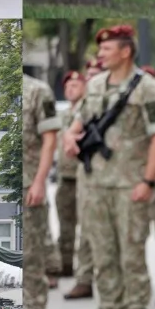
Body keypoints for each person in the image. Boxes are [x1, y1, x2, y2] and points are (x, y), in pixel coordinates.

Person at [62, 24, 155, 309]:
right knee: (103, 254)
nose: (100, 55)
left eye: (107, 49)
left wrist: (148, 181)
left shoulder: (149, 88)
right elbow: (79, 120)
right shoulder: (95, 85)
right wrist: (70, 137)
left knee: (131, 255)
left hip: (130, 185)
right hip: (95, 184)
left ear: (126, 51)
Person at [22, 69, 63, 309]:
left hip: (27, 183)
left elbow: (50, 140)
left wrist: (39, 182)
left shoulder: (38, 91)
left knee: (31, 251)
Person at [55, 69, 91, 293]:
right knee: (65, 223)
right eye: (67, 86)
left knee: (86, 224)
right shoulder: (61, 116)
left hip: (84, 175)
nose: (70, 89)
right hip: (64, 175)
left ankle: (86, 268)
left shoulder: (88, 112)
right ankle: (65, 263)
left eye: (75, 85)